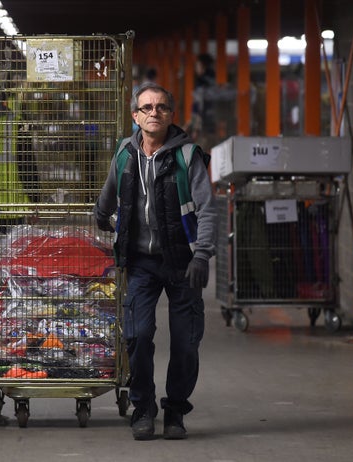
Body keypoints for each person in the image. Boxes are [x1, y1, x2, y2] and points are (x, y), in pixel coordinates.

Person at [94, 82, 215, 441]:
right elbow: (111, 190)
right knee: (137, 335)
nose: (153, 113)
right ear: (135, 116)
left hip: (182, 262)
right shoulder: (124, 153)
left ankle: (175, 411)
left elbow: (208, 209)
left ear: (170, 114)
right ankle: (142, 408)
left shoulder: (187, 156)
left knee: (185, 342)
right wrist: (101, 214)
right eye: (146, 107)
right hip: (141, 262)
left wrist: (203, 255)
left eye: (160, 107)